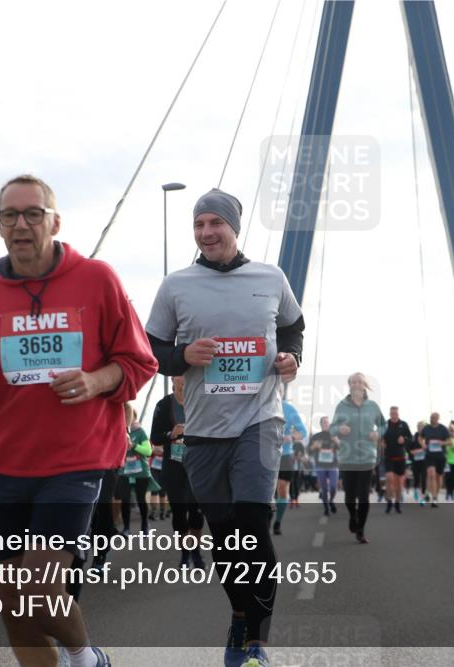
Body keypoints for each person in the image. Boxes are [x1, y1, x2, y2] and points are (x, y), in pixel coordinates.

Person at [0, 174, 157, 667]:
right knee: (14, 604)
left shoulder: (98, 280)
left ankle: (84, 657)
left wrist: (95, 382)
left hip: (75, 460)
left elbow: (140, 362)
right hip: (1, 465)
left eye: (33, 213)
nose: (21, 224)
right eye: (9, 215)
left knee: (39, 587)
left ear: (54, 222)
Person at [146, 187, 303, 667]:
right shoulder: (177, 285)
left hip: (260, 419)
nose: (207, 232)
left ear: (235, 228)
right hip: (203, 429)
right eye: (199, 225)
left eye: (216, 223)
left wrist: (292, 357)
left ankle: (258, 640)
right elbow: (148, 348)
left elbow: (294, 326)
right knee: (226, 534)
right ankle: (238, 615)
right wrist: (181, 356)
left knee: (253, 526)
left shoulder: (270, 277)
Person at [150, 376, 205, 569]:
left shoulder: (201, 401)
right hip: (173, 465)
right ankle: (185, 554)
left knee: (196, 512)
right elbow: (154, 438)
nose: (185, 379)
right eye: (181, 374)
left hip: (198, 464)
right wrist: (170, 434)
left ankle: (196, 553)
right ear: (173, 378)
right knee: (179, 514)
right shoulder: (164, 405)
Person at [332, 372, 386, 544]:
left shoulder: (373, 406)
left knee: (363, 496)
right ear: (349, 385)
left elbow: (383, 425)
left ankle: (360, 530)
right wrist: (340, 429)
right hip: (347, 458)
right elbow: (332, 428)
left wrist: (377, 433)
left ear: (364, 385)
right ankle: (352, 516)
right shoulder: (341, 406)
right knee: (349, 496)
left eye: (360, 381)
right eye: (353, 381)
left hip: (367, 457)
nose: (356, 384)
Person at [116, 406, 155, 536]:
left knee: (141, 499)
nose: (125, 417)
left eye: (128, 414)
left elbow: (148, 451)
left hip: (140, 471)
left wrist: (134, 446)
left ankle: (145, 524)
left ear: (133, 416)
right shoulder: (119, 431)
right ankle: (126, 528)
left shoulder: (140, 432)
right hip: (124, 471)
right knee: (125, 499)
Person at [274, 400, 307, 534]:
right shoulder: (258, 403)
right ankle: (266, 518)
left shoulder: (288, 408)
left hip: (285, 455)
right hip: (262, 454)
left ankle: (277, 521)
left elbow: (303, 431)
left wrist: (291, 436)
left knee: (282, 490)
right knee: (266, 492)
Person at [381, 406, 413, 513]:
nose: (394, 415)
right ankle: (389, 502)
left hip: (400, 457)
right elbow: (378, 438)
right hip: (388, 457)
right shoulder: (385, 425)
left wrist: (404, 439)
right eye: (392, 413)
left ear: (398, 414)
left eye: (396, 413)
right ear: (390, 414)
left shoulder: (403, 425)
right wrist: (381, 443)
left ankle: (397, 503)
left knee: (399, 483)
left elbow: (410, 438)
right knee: (389, 479)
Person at [308, 416, 340, 516]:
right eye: (324, 422)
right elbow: (308, 451)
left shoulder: (334, 435)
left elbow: (341, 447)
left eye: (328, 422)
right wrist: (314, 446)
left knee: (333, 486)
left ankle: (331, 501)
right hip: (320, 465)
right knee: (324, 489)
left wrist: (337, 442)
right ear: (321, 424)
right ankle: (326, 507)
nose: (326, 424)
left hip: (333, 465)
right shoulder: (316, 436)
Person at [419, 412, 451, 508]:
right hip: (430, 455)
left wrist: (442, 442)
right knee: (431, 474)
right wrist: (423, 444)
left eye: (434, 417)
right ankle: (431, 495)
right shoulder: (426, 428)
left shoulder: (443, 428)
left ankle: (435, 496)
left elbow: (450, 442)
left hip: (440, 456)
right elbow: (420, 438)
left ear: (438, 418)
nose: (432, 419)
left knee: (438, 476)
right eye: (431, 417)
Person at [410, 420, 428, 505]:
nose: (420, 428)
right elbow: (410, 449)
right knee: (417, 479)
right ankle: (417, 492)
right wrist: (414, 451)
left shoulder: (427, 436)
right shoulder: (414, 437)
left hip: (425, 461)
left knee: (424, 478)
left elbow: (430, 448)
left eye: (422, 426)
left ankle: (422, 497)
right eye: (419, 426)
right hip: (416, 461)